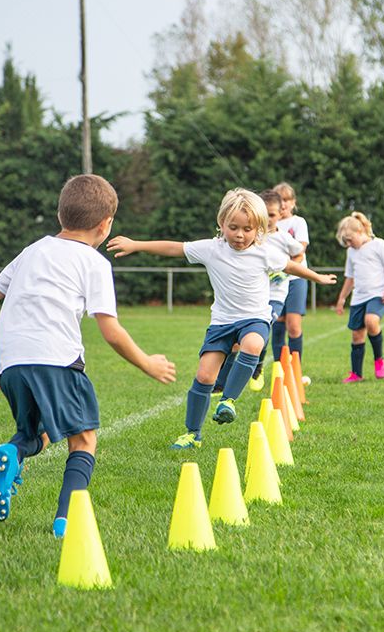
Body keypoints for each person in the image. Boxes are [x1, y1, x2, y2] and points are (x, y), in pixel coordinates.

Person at [0, 175, 176, 538]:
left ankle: (11, 451)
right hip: (55, 359)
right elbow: (110, 331)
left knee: (40, 431)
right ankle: (66, 522)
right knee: (83, 439)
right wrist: (148, 362)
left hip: (10, 364)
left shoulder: (32, 250)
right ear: (106, 225)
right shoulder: (93, 262)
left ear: (59, 214)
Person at [107, 188, 336, 450]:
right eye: (233, 227)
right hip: (221, 323)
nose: (240, 235)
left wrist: (316, 277)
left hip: (254, 319)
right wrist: (136, 245)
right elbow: (174, 247)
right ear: (221, 224)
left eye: (247, 229)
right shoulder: (211, 249)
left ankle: (228, 400)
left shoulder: (265, 252)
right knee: (204, 376)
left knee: (252, 345)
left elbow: (290, 266)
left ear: (259, 228)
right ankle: (193, 434)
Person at [212, 188, 305, 394]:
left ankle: (258, 368)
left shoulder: (283, 237)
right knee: (236, 342)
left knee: (260, 333)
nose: (270, 219)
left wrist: (284, 271)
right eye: (267, 215)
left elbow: (300, 254)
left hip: (275, 296)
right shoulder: (252, 235)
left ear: (280, 215)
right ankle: (220, 383)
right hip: (251, 298)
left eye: (273, 215)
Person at [334, 212, 384, 383]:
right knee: (357, 335)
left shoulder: (380, 245)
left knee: (371, 321)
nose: (348, 244)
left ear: (360, 231)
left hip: (378, 294)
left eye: (349, 239)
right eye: (345, 241)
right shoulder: (351, 252)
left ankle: (379, 359)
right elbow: (350, 277)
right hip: (358, 298)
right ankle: (356, 374)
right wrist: (342, 298)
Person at [271, 182, 311, 364]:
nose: (284, 204)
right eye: (280, 200)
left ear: (293, 202)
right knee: (277, 326)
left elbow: (301, 250)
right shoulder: (269, 224)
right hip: (275, 282)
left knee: (293, 326)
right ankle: (280, 370)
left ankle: (296, 369)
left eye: (287, 200)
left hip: (295, 279)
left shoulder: (298, 222)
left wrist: (287, 269)